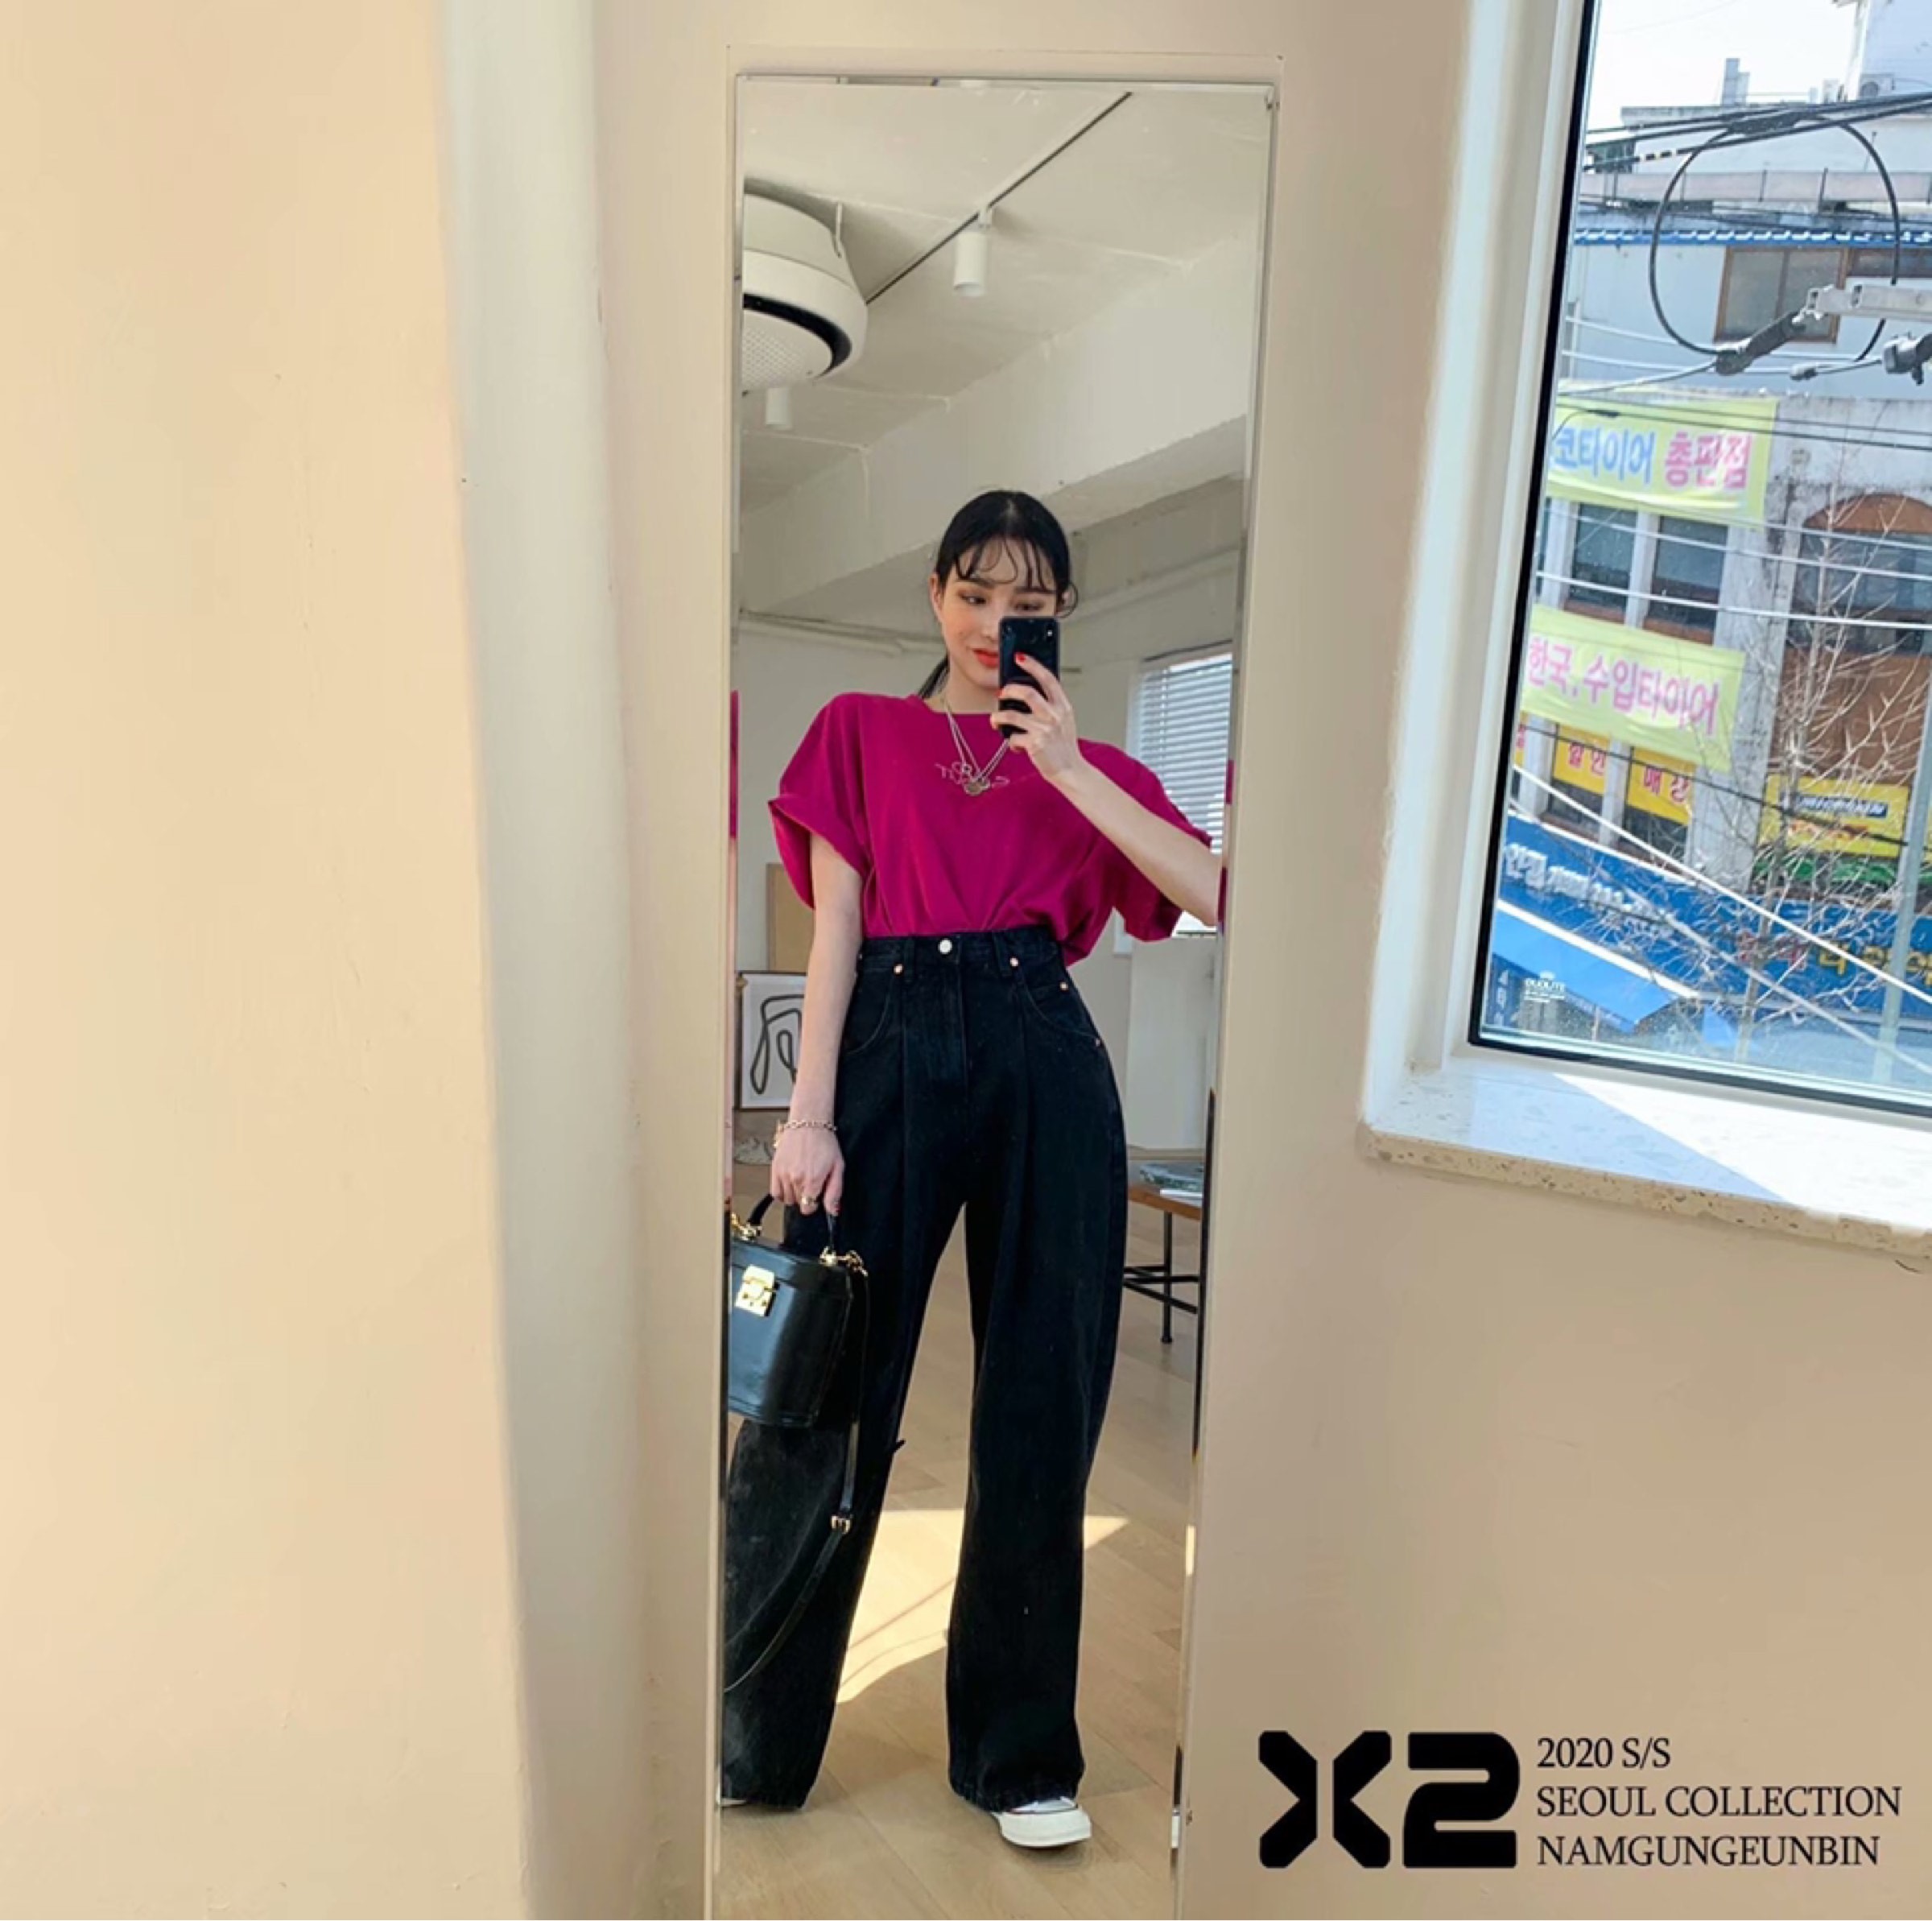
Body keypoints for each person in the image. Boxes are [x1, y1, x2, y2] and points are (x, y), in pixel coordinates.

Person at [721, 489, 1220, 1849]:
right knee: (822, 1385)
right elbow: (835, 929)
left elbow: (1221, 892)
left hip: (1041, 1047)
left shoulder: (1091, 766)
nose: (998, 620)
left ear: (1062, 614)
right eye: (976, 591)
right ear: (935, 595)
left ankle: (1019, 1757)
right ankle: (750, 1730)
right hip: (887, 1042)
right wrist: (807, 1114)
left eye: (1029, 600)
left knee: (1041, 1405)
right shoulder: (860, 733)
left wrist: (1067, 769)